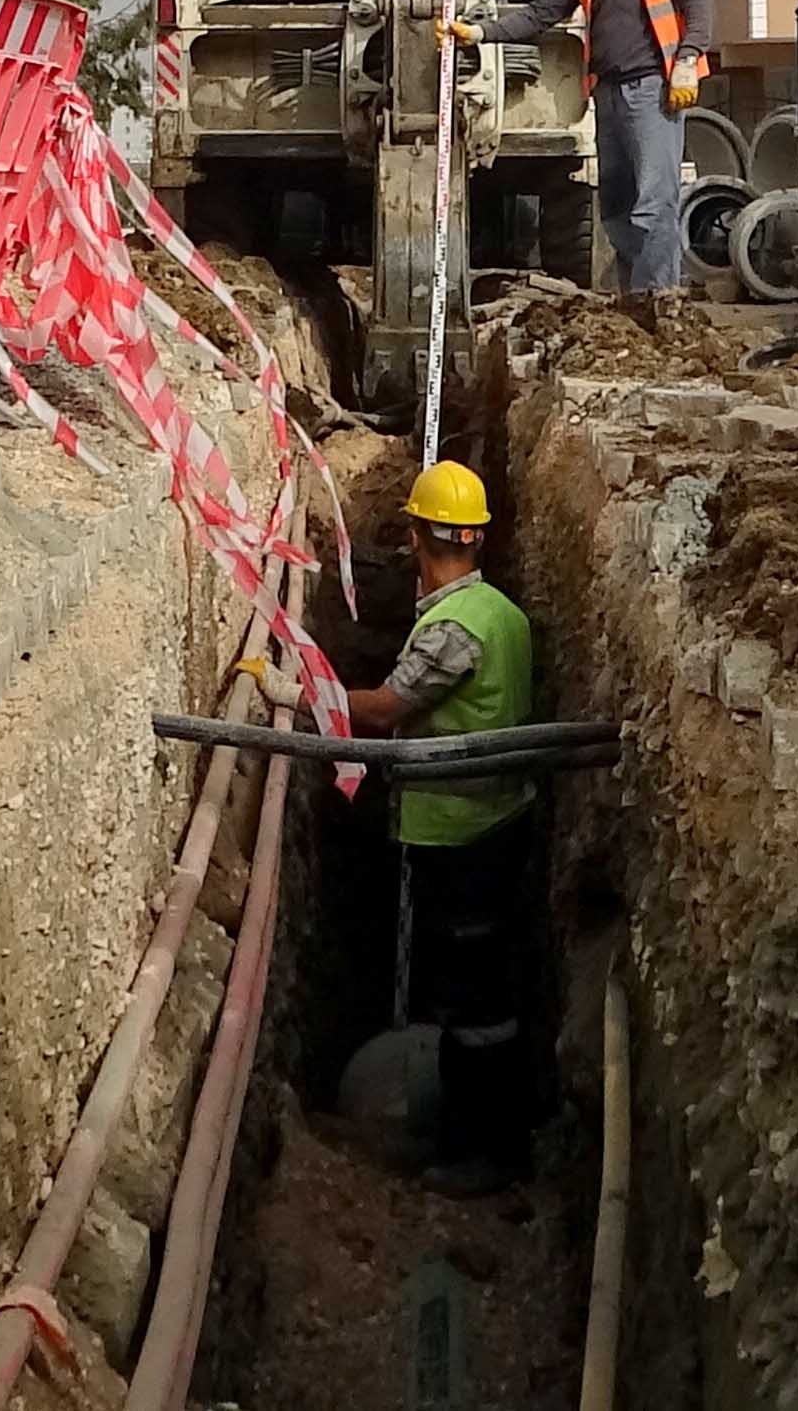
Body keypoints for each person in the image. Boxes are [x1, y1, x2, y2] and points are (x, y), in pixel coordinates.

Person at [342, 459, 544, 1192]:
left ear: (418, 535)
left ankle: (481, 1152)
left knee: (474, 1004)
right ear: (477, 539)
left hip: (461, 836)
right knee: (479, 990)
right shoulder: (503, 611)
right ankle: (487, 1132)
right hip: (498, 820)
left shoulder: (451, 629)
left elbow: (386, 708)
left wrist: (301, 687)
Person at [483, 0, 711, 297]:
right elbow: (539, 14)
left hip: (654, 89)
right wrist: (480, 33)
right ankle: (636, 301)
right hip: (607, 93)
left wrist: (687, 58)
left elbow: (699, 1)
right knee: (617, 209)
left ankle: (658, 303)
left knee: (654, 205)